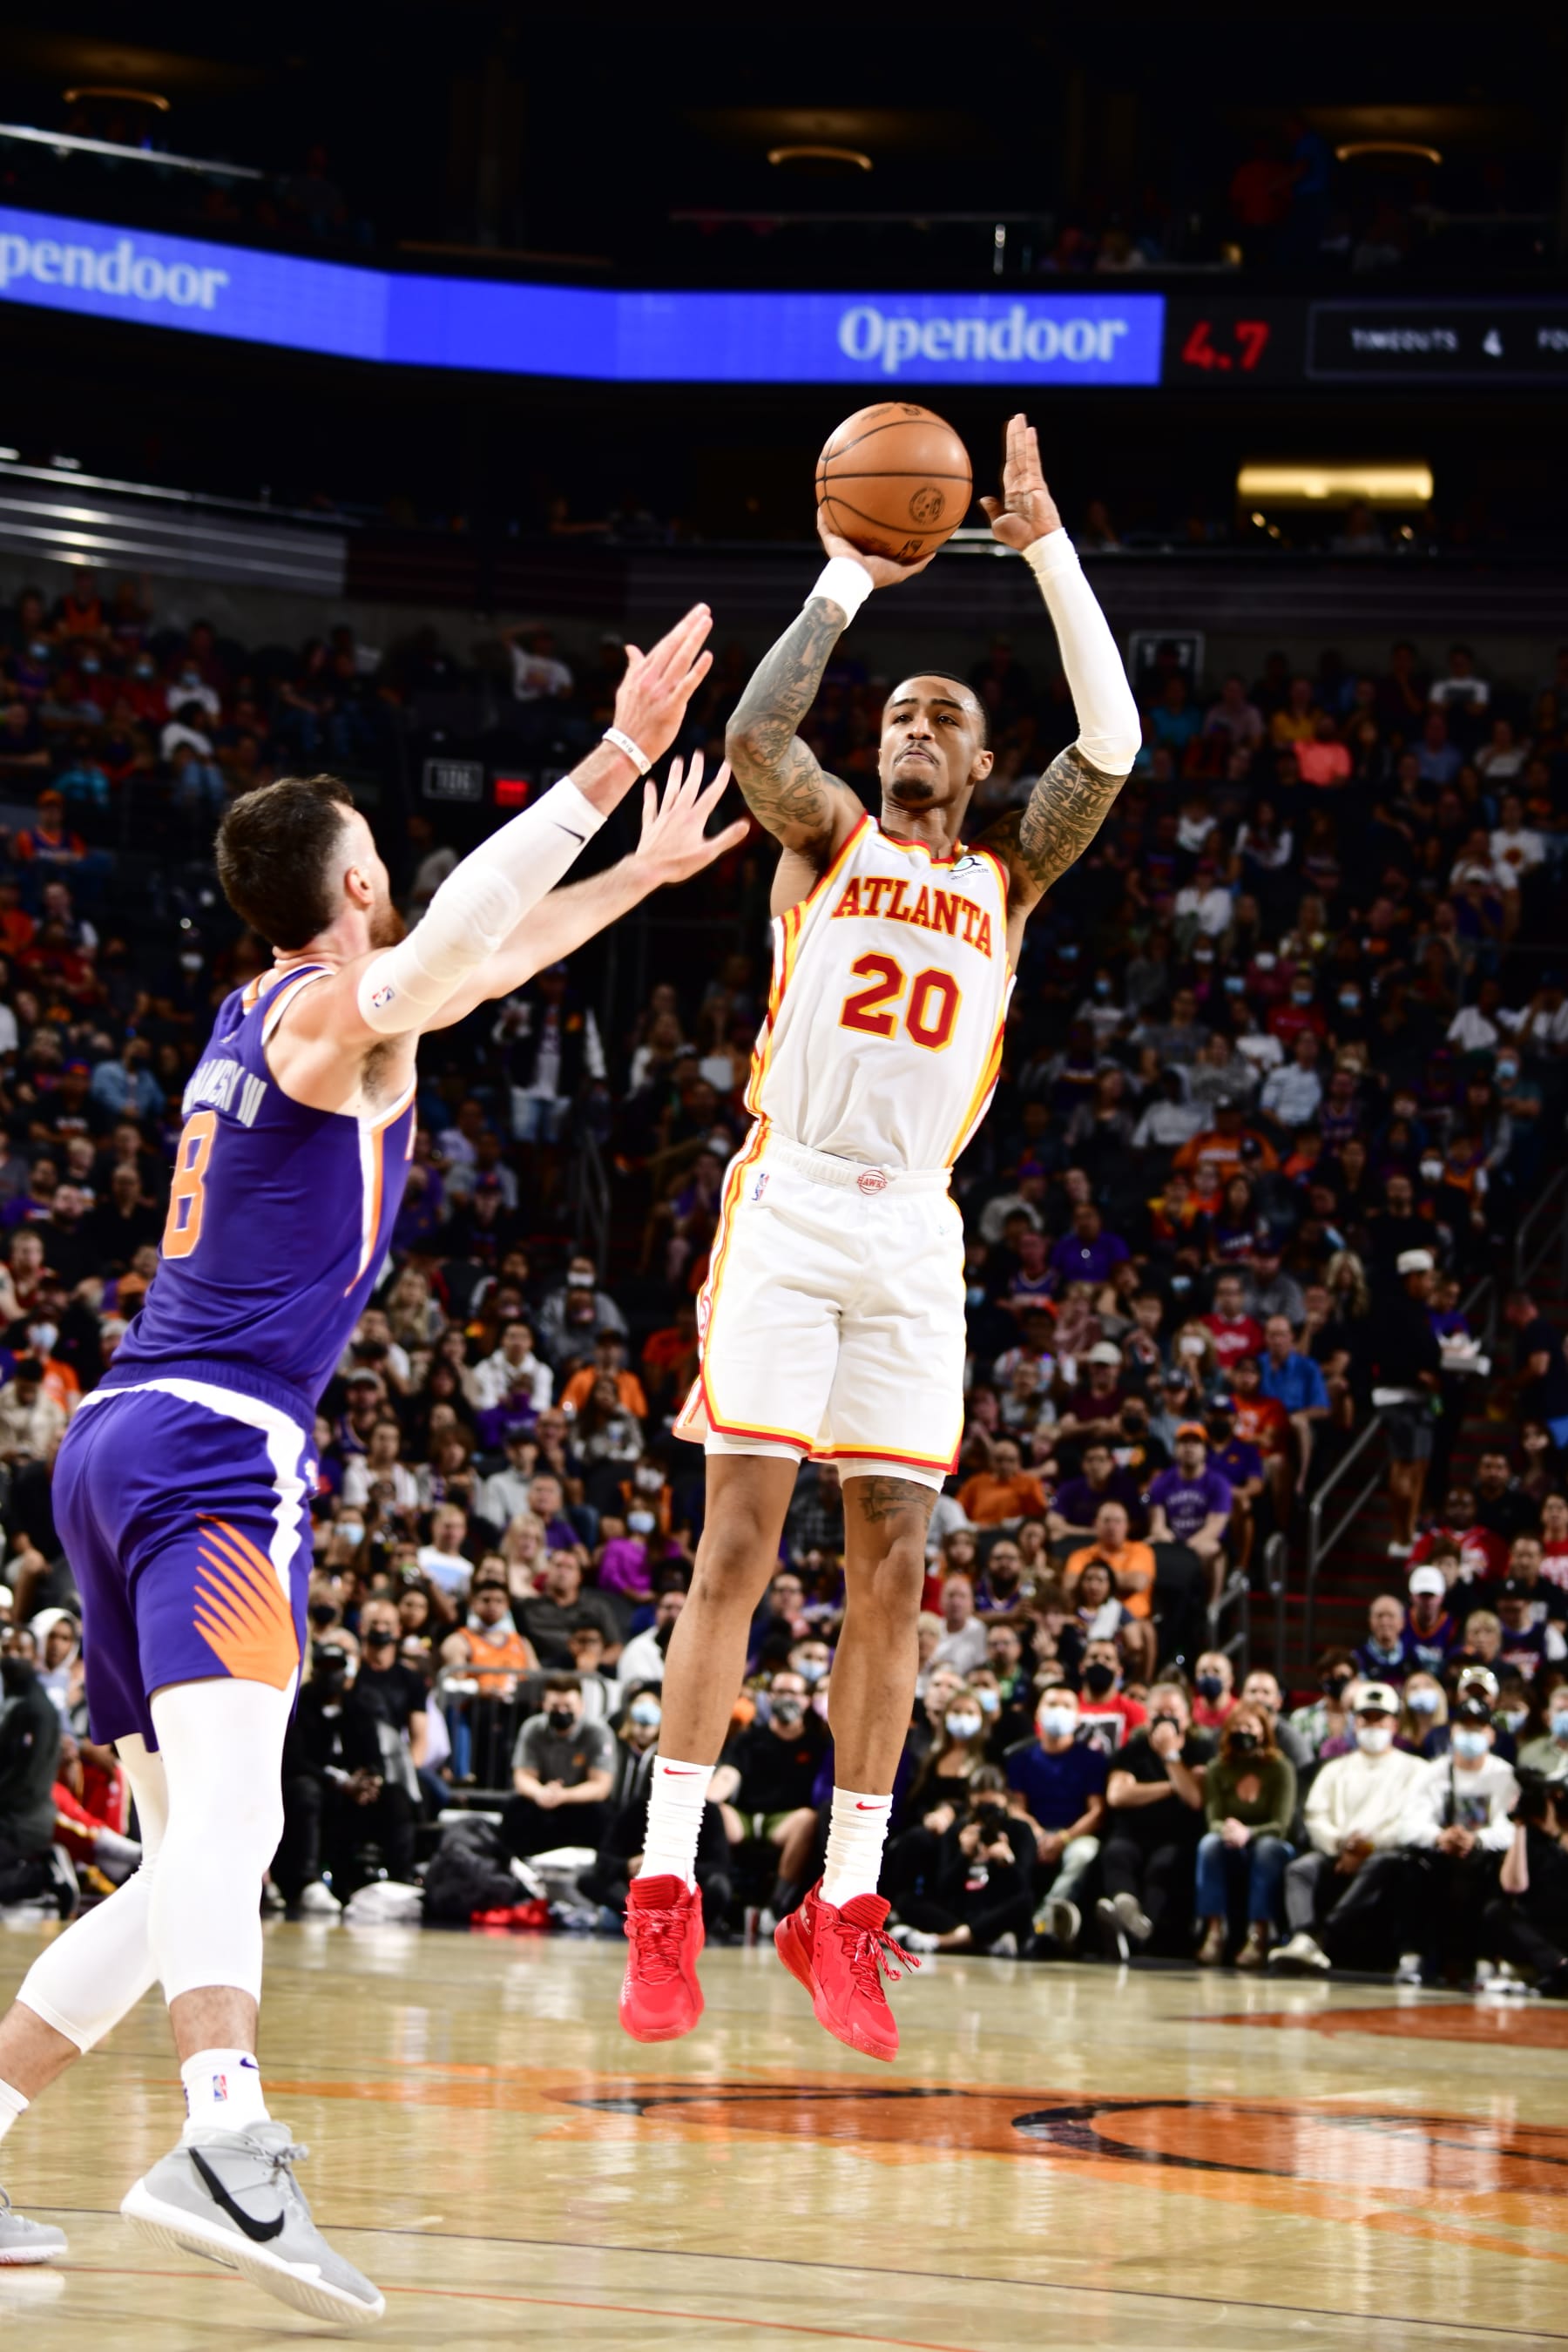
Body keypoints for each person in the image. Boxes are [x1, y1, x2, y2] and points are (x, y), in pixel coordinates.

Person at [0, 608, 739, 2309]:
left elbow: (492, 955)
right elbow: (448, 951)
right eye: (380, 864)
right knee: (232, 1834)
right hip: (214, 1449)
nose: (399, 877)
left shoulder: (274, 1013)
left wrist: (639, 877)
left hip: (116, 1445)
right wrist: (614, 760)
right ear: (349, 894)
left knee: (187, 1861)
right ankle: (225, 2140)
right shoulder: (340, 1005)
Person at [625, 416, 1139, 2060]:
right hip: (788, 1204)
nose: (918, 726)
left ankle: (842, 1899)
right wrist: (847, 577)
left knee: (898, 1569)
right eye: (903, 713)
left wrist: (1045, 543)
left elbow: (1115, 738)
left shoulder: (1012, 872)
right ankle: (664, 1885)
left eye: (948, 718)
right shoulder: (822, 837)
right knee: (738, 1545)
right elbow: (764, 723)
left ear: (984, 764)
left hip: (915, 1237)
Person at [1270, 1685, 1427, 1974]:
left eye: (1380, 1718)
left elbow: (1411, 1820)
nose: (1373, 1725)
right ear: (1355, 1722)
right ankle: (1302, 1936)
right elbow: (1315, 1815)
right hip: (1338, 1852)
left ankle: (1323, 1938)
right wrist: (1340, 1844)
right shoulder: (1334, 1769)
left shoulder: (1416, 1770)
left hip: (1386, 1855)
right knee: (1301, 1869)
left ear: (1394, 1722)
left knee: (1383, 1864)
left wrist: (1368, 1846)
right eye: (1366, 1718)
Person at [1098, 1680, 1213, 1959]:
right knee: (1116, 1852)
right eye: (1158, 1712)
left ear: (1186, 1716)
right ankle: (1125, 1906)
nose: (1165, 1718)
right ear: (1147, 1717)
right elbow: (1118, 1795)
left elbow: (1195, 1799)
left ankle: (1137, 1932)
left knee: (1164, 1864)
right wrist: (1172, 1786)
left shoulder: (1201, 1749)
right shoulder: (1132, 1750)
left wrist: (1171, 1756)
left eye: (1172, 1711)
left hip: (1176, 1836)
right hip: (1132, 1833)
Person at [1002, 1680, 1107, 1950]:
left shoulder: (1092, 1760)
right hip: (1035, 1832)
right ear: (1038, 1712)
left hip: (1074, 1835)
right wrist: (1037, 1834)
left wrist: (1062, 1838)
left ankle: (1043, 1920)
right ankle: (1006, 1925)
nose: (1058, 1710)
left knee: (1084, 1854)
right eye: (1051, 1704)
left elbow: (1096, 1813)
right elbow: (1016, 1807)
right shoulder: (1021, 1759)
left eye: (1066, 1705)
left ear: (1077, 1716)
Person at [1193, 1700, 1296, 1967]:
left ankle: (1259, 1936)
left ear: (1263, 1732)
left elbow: (1281, 1825)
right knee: (1209, 1844)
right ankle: (1215, 1932)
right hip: (1231, 1841)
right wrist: (1230, 1832)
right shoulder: (1218, 1767)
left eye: (1249, 1727)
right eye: (1237, 1726)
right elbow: (1213, 1820)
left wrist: (1248, 1833)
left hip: (1271, 1843)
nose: (1243, 1732)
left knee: (1267, 1849)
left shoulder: (1280, 1768)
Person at [504, 1673, 616, 1857]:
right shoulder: (533, 1728)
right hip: (543, 1798)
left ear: (581, 1706)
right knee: (514, 1809)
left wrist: (564, 1795)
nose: (562, 1711)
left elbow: (601, 1786)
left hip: (580, 1801)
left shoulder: (598, 1732)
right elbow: (523, 1775)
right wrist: (540, 1793)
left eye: (568, 1706)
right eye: (555, 1706)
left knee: (602, 1814)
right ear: (545, 1705)